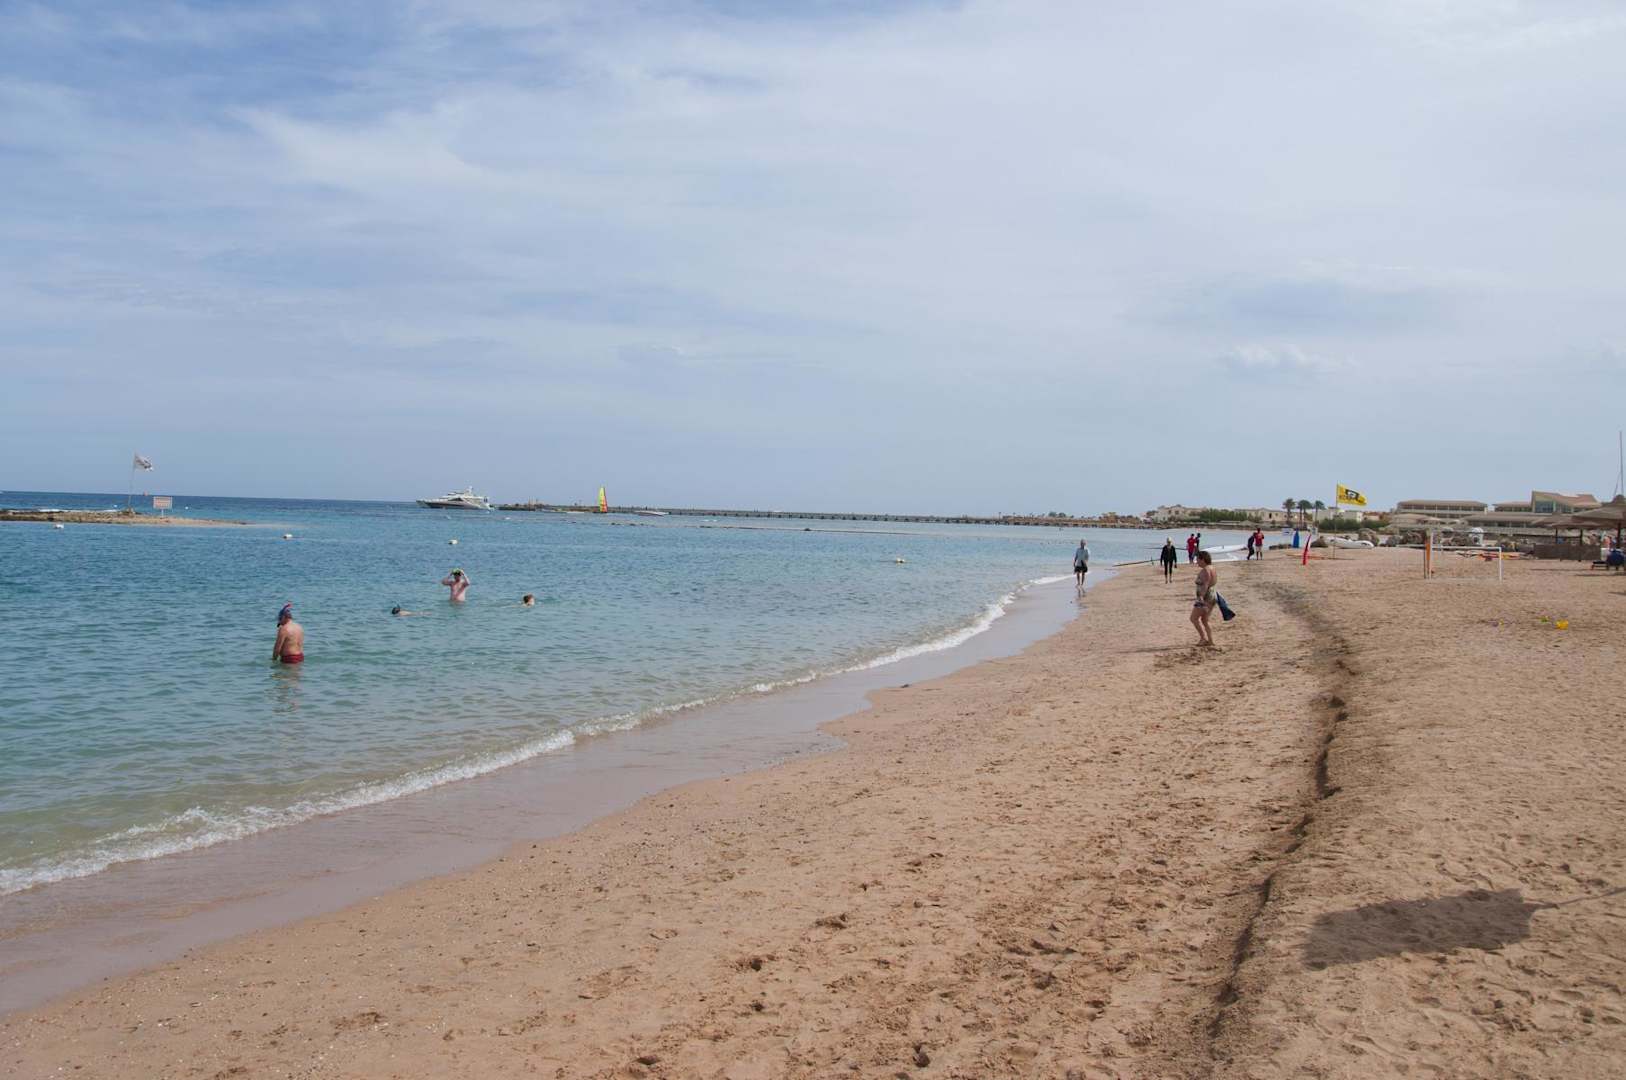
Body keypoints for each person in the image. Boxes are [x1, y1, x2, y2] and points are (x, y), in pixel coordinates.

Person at [1190, 551, 1218, 647]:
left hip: (1205, 597)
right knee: (1205, 620)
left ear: (1203, 559)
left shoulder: (1205, 570)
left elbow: (1205, 585)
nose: (1196, 561)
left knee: (1193, 618)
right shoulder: (1212, 568)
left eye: (1197, 559)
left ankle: (1203, 638)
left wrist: (1201, 599)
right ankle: (1210, 640)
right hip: (1212, 596)